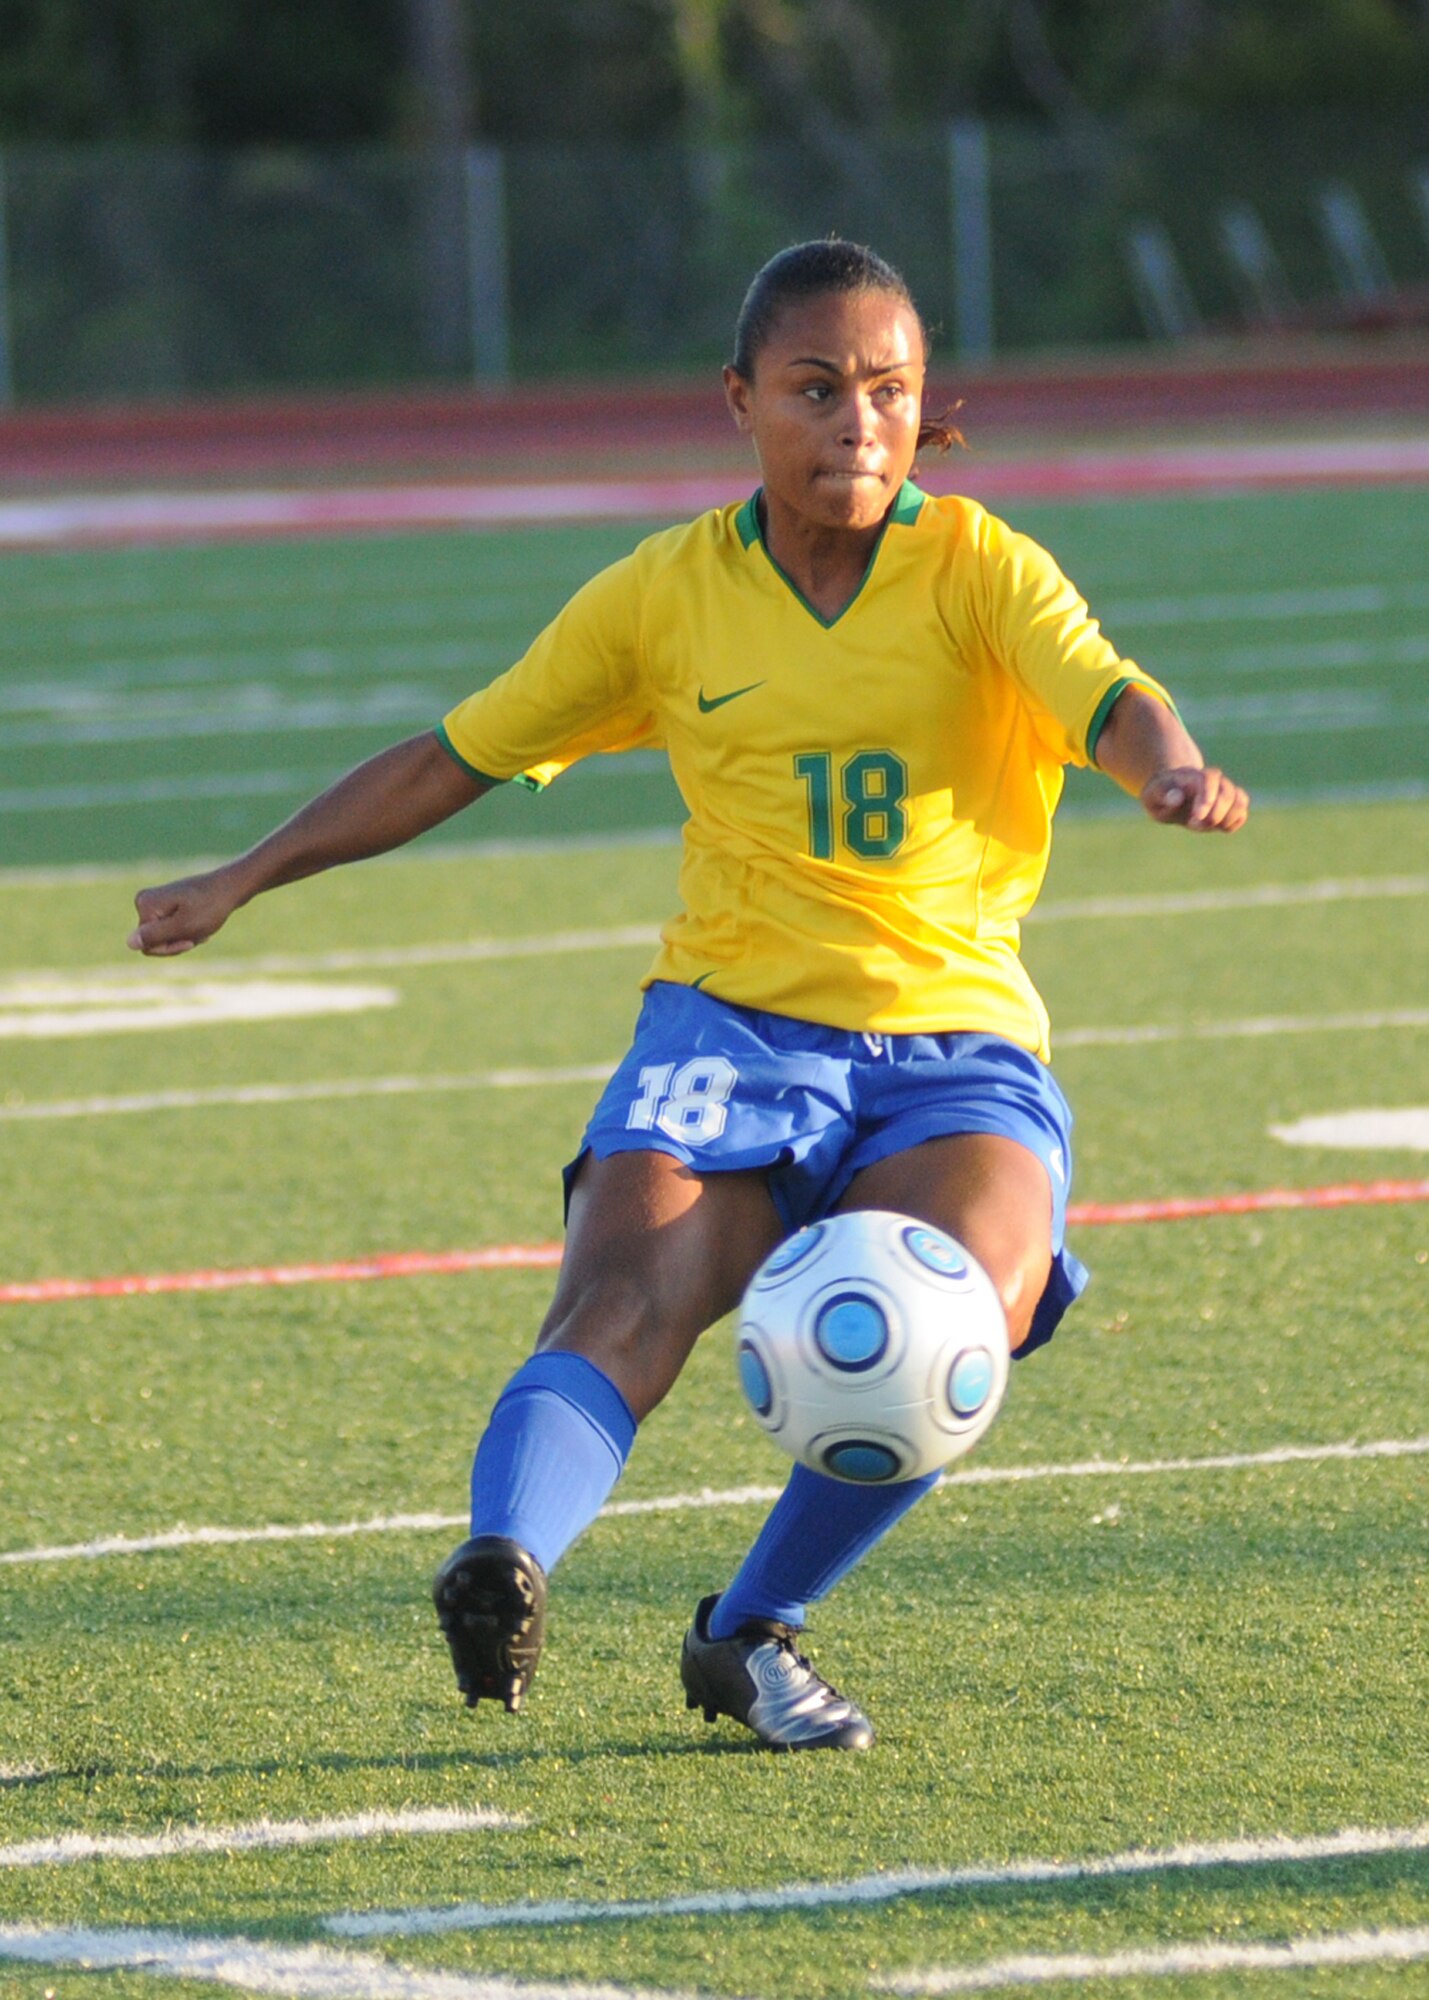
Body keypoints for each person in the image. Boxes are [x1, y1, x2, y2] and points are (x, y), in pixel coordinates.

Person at [129, 239, 1248, 1752]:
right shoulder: (662, 595)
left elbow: (1107, 696)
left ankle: (747, 1632)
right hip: (727, 1029)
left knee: (955, 1322)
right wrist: (243, 876)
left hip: (951, 1051)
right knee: (619, 1302)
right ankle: (507, 1556)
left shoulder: (977, 566)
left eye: (889, 390)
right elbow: (449, 756)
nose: (856, 419)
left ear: (924, 413)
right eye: (814, 387)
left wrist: (1167, 769)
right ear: (737, 401)